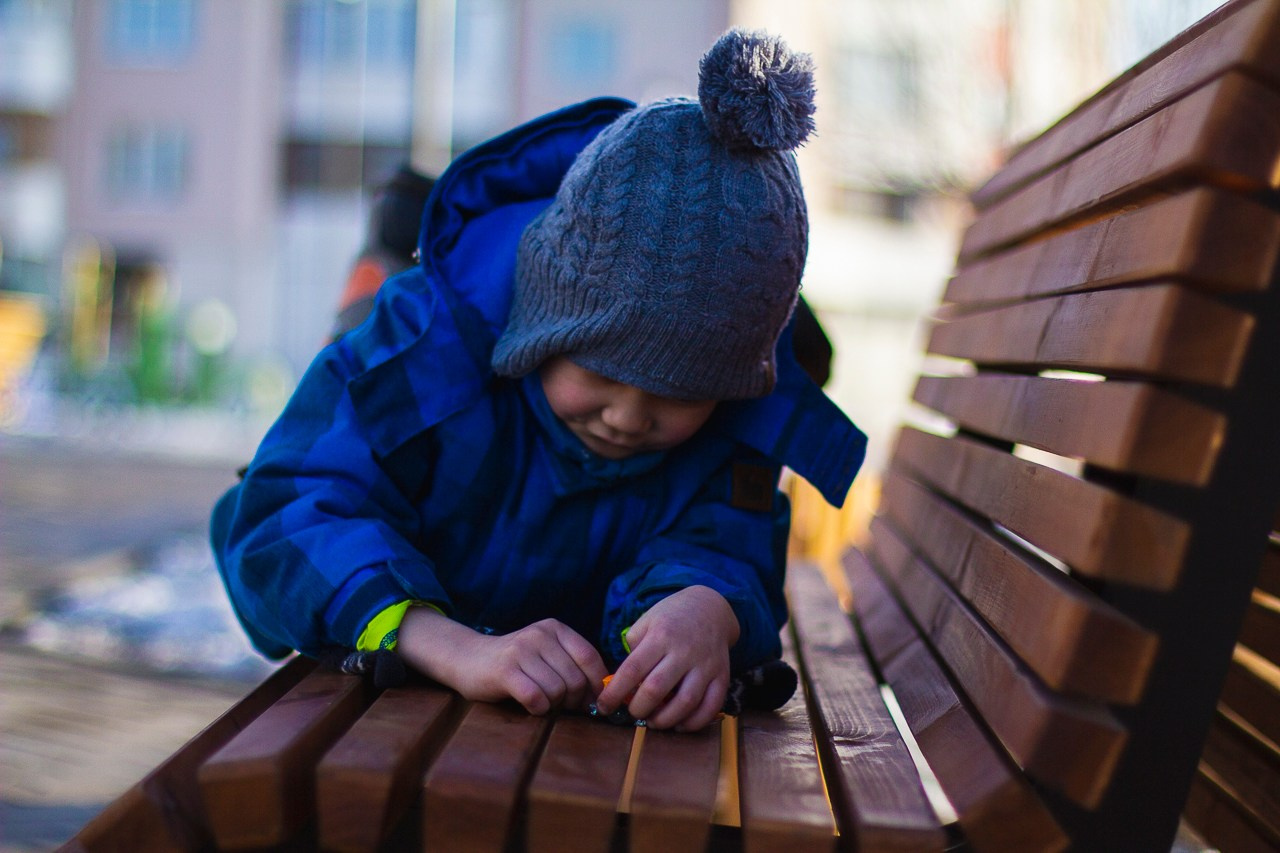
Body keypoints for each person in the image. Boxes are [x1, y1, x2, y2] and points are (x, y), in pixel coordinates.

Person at [210, 29, 866, 733]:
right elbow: (278, 514)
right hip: (410, 678)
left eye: (678, 392)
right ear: (543, 324)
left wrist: (706, 607)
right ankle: (382, 248)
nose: (627, 415)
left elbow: (728, 543)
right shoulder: (425, 349)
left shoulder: (731, 418)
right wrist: (447, 644)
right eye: (600, 372)